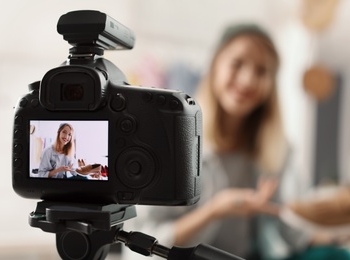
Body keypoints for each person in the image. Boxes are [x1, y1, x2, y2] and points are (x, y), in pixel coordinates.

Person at [122, 24, 313, 260]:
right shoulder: (169, 141)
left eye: (262, 71)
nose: (247, 80)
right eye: (237, 63)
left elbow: (296, 233)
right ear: (214, 66)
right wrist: (214, 210)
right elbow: (136, 250)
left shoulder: (276, 151)